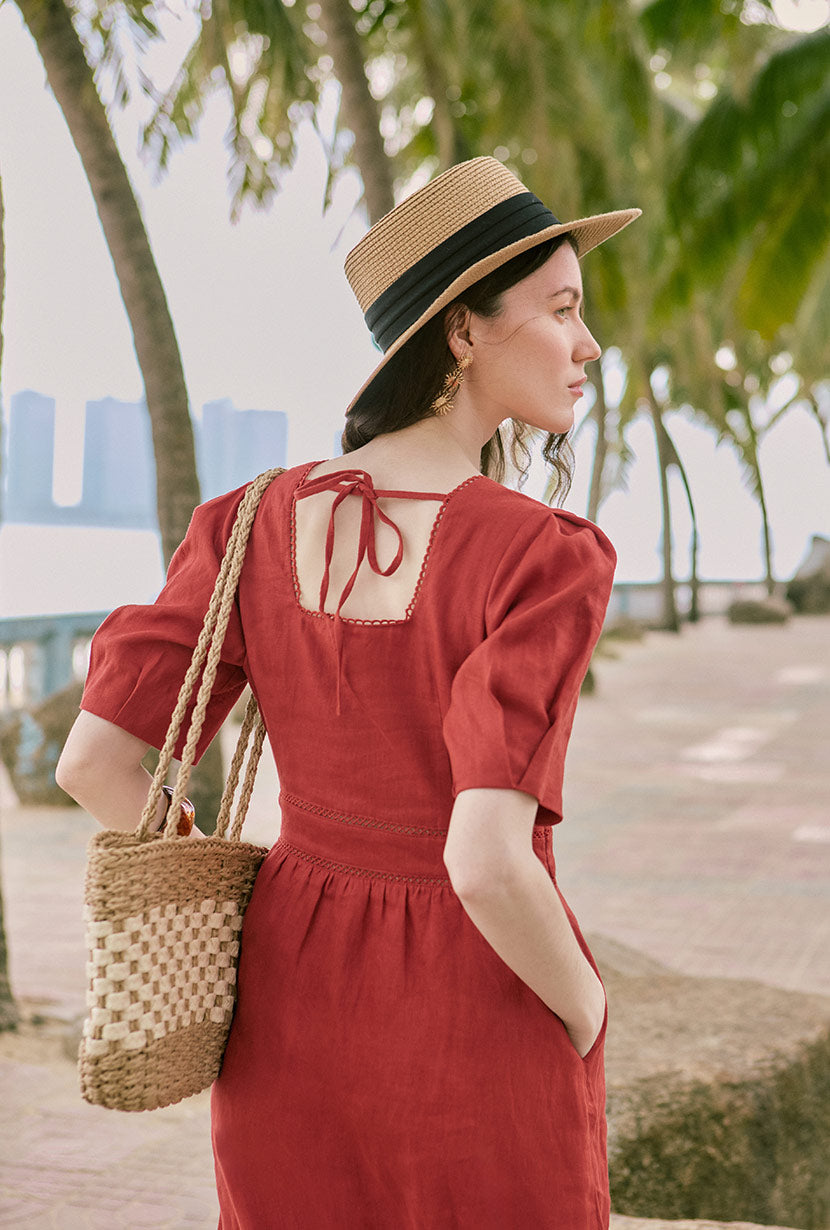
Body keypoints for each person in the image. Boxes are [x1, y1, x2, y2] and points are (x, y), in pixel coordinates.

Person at [57, 156, 640, 1228]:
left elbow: (91, 760)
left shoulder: (247, 518)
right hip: (477, 995)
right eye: (561, 310)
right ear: (461, 331)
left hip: (286, 986)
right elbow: (482, 860)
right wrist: (585, 1009)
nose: (587, 344)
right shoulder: (541, 555)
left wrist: (215, 857)